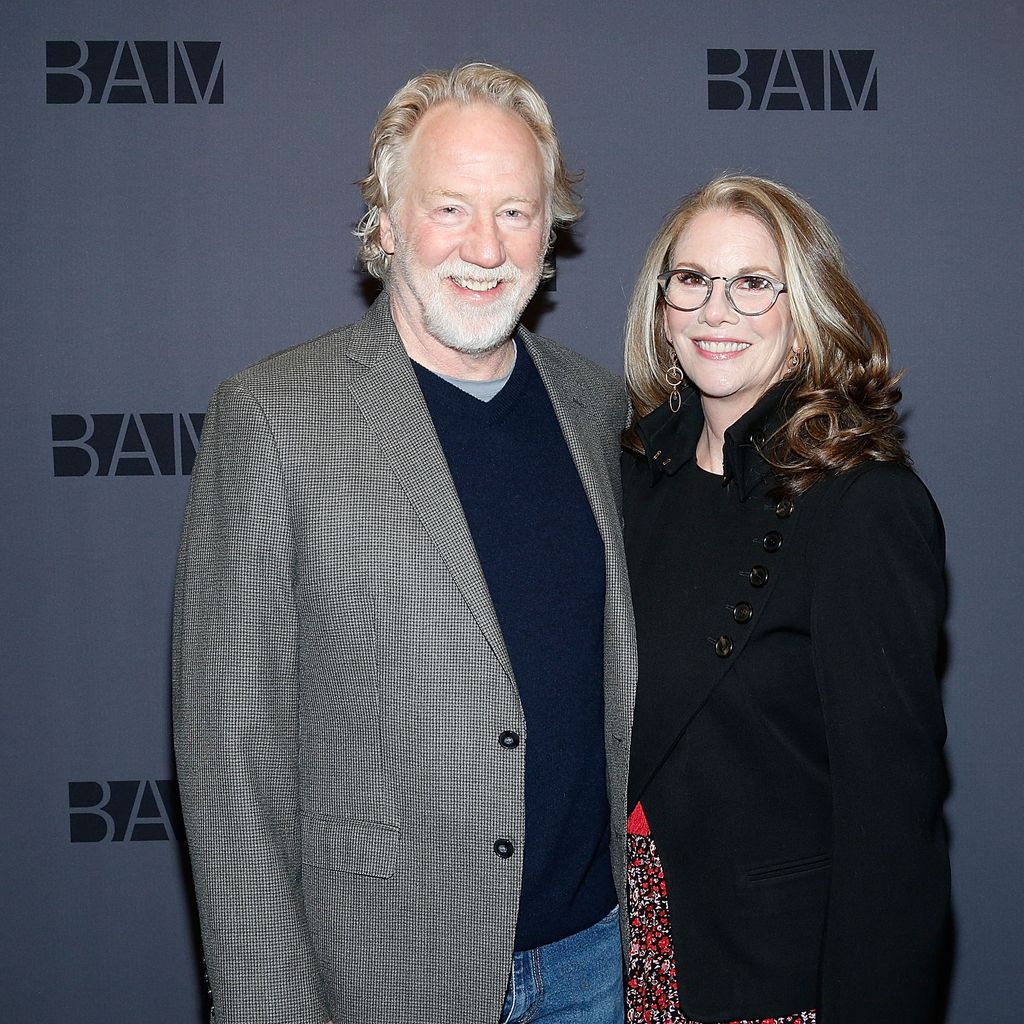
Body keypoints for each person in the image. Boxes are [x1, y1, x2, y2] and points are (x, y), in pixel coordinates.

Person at [172, 63, 635, 1024]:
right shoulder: (273, 418)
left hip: (600, 962)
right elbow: (231, 764)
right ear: (385, 224)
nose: (485, 245)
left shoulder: (600, 408)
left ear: (551, 235)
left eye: (516, 211)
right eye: (450, 208)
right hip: (388, 978)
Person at [620, 175, 949, 1024]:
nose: (714, 310)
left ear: (802, 313)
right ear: (662, 304)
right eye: (690, 279)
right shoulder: (628, 475)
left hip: (774, 975)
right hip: (627, 956)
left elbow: (893, 822)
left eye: (752, 283)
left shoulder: (861, 505)